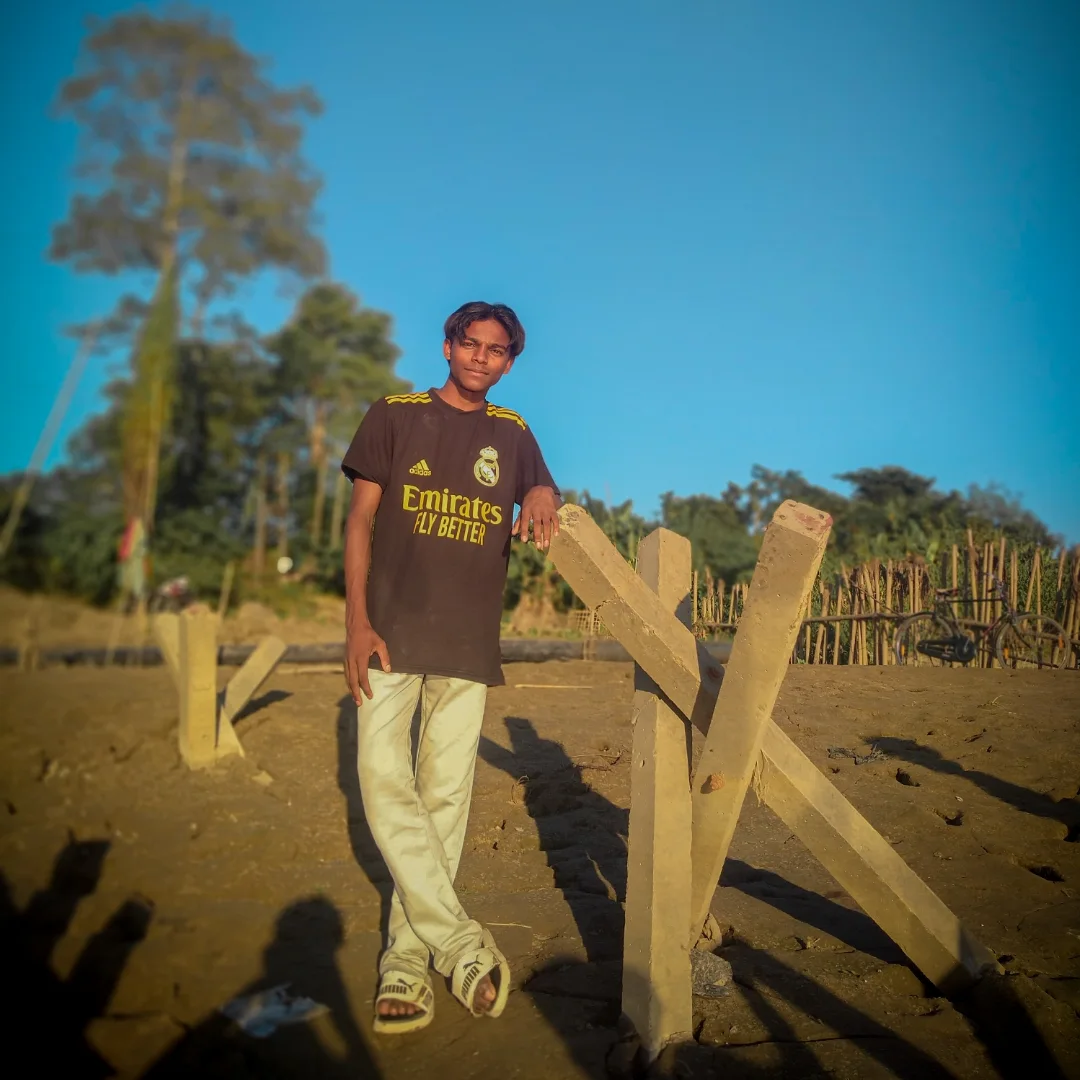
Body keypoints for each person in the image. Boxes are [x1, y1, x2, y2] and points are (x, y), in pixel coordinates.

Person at [340, 301, 560, 1035]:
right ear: (447, 346)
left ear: (509, 363)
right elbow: (360, 520)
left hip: (467, 643)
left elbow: (541, 488)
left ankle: (405, 960)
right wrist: (356, 622)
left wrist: (542, 490)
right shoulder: (394, 415)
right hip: (388, 633)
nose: (480, 358)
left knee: (444, 797)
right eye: (471, 344)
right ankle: (459, 942)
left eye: (496, 351)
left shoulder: (514, 432)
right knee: (381, 780)